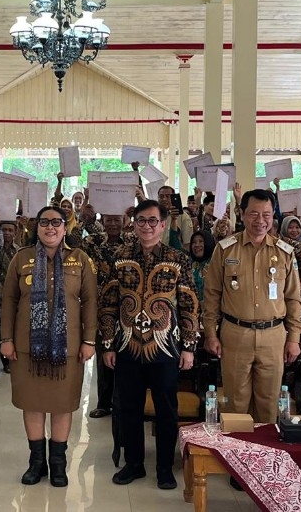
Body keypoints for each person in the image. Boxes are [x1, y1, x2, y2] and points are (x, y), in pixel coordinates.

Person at [99, 200, 199, 489]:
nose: (147, 226)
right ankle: (134, 464)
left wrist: (189, 346)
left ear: (163, 224)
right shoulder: (119, 257)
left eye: (153, 221)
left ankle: (164, 467)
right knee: (128, 408)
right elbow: (108, 302)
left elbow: (189, 304)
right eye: (141, 220)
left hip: (165, 348)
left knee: (166, 409)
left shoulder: (177, 259)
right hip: (127, 347)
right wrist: (108, 344)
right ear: (134, 224)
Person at [0, 206, 97, 488]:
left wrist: (89, 340)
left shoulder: (80, 259)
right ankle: (36, 463)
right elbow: (8, 300)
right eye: (44, 222)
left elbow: (90, 301)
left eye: (56, 222)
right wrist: (6, 339)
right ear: (37, 227)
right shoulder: (21, 258)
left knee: (62, 405)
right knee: (32, 404)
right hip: (27, 347)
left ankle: (58, 464)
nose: (50, 227)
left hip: (67, 348)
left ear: (65, 228)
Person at [202, 189, 301, 424]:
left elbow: (293, 298)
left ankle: (263, 448)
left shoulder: (284, 252)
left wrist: (294, 338)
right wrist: (210, 334)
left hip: (273, 336)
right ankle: (236, 447)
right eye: (254, 214)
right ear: (242, 213)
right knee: (235, 404)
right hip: (235, 334)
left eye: (266, 215)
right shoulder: (225, 249)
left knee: (269, 404)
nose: (260, 221)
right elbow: (212, 294)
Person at [83, 213, 131, 419]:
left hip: (127, 306)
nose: (112, 224)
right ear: (102, 221)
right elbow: (73, 242)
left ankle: (123, 402)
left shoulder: (132, 241)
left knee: (126, 356)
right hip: (101, 307)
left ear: (123, 221)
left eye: (116, 220)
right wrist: (84, 217)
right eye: (109, 220)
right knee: (104, 354)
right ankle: (103, 403)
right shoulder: (92, 242)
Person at [0, 220, 21, 374]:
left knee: (9, 328)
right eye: (4, 230)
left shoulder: (18, 252)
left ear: (15, 233)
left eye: (10, 230)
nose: (7, 233)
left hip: (12, 295)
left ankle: (8, 360)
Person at [157, 186, 193, 252]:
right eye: (161, 197)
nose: (164, 199)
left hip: (175, 254)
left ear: (173, 198)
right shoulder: (154, 215)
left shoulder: (183, 216)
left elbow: (187, 243)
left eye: (168, 196)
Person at [189, 230, 216, 304]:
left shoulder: (216, 264)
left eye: (201, 241)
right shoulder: (188, 264)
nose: (197, 245)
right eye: (194, 242)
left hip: (212, 309)